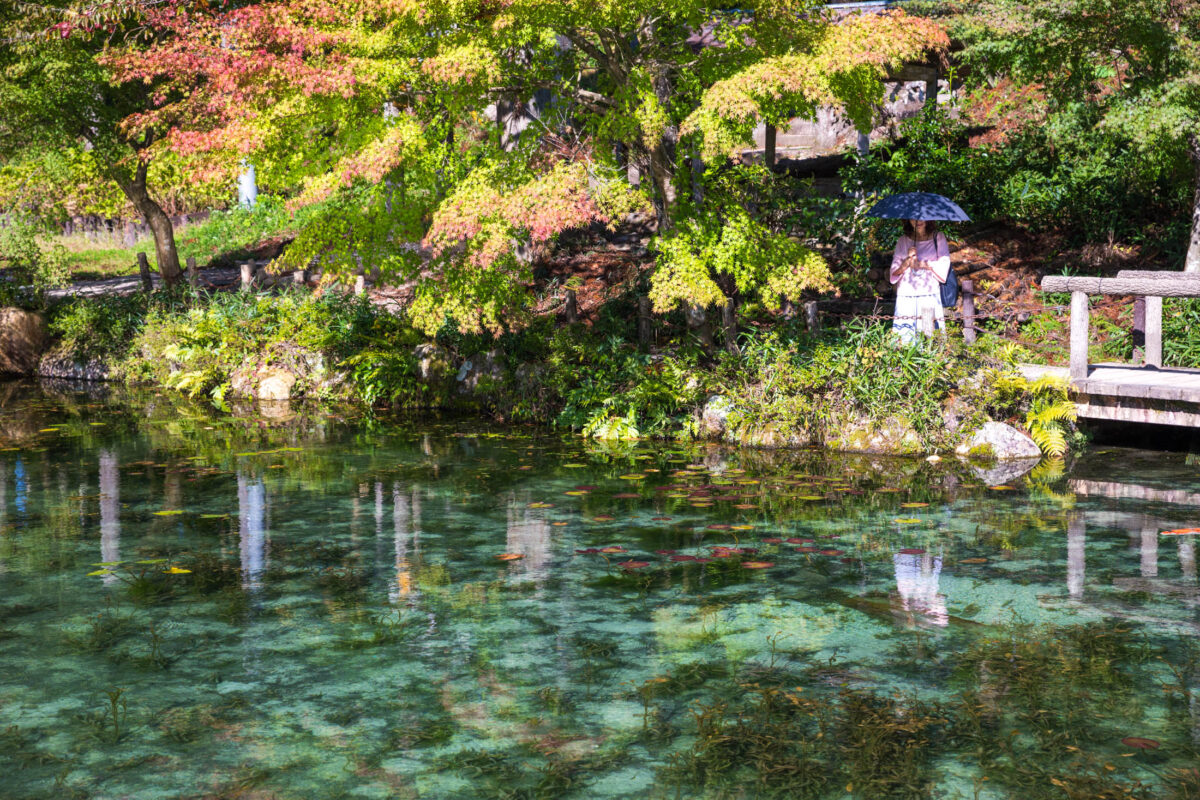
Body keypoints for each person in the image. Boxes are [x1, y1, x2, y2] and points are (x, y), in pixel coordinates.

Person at [889, 219, 950, 344]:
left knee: (930, 337)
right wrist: (908, 260)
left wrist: (923, 264)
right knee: (905, 337)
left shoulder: (938, 237)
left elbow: (944, 264)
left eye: (922, 217)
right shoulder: (903, 240)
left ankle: (932, 361)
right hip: (906, 294)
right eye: (913, 218)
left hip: (929, 293)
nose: (918, 221)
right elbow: (894, 271)